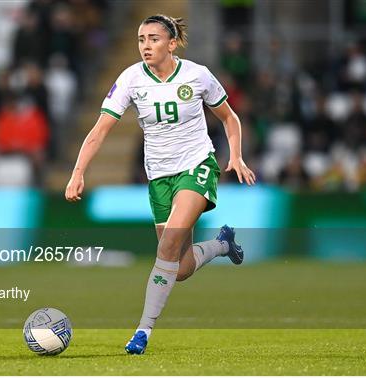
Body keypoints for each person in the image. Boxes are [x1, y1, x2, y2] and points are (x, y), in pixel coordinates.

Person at [65, 14, 256, 355]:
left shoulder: (197, 75)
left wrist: (236, 156)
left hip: (197, 166)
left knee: (166, 247)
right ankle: (222, 245)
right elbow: (100, 131)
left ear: (171, 43)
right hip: (159, 177)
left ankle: (142, 332)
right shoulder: (131, 79)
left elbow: (229, 117)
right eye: (141, 39)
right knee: (179, 268)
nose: (145, 46)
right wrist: (78, 171)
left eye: (153, 39)